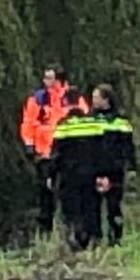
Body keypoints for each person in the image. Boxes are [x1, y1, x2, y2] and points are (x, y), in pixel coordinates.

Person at [19, 65, 86, 235]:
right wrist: (29, 144)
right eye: (45, 78)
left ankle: (70, 227)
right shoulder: (38, 99)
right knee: (45, 193)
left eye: (49, 78)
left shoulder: (73, 97)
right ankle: (45, 228)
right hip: (44, 153)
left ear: (59, 80)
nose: (45, 82)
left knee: (69, 191)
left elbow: (84, 117)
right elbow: (28, 123)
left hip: (67, 152)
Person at [48, 89, 106, 251]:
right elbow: (100, 152)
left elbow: (56, 154)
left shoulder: (63, 126)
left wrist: (51, 174)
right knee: (90, 204)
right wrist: (102, 173)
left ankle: (76, 234)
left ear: (65, 103)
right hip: (90, 172)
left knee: (72, 206)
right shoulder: (93, 124)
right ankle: (91, 236)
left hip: (69, 174)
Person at [90, 83, 137, 247]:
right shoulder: (89, 120)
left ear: (106, 99)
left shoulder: (121, 122)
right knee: (93, 205)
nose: (93, 100)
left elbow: (128, 147)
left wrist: (131, 167)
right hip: (93, 168)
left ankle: (115, 238)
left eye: (97, 97)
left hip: (114, 169)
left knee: (113, 205)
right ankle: (94, 237)